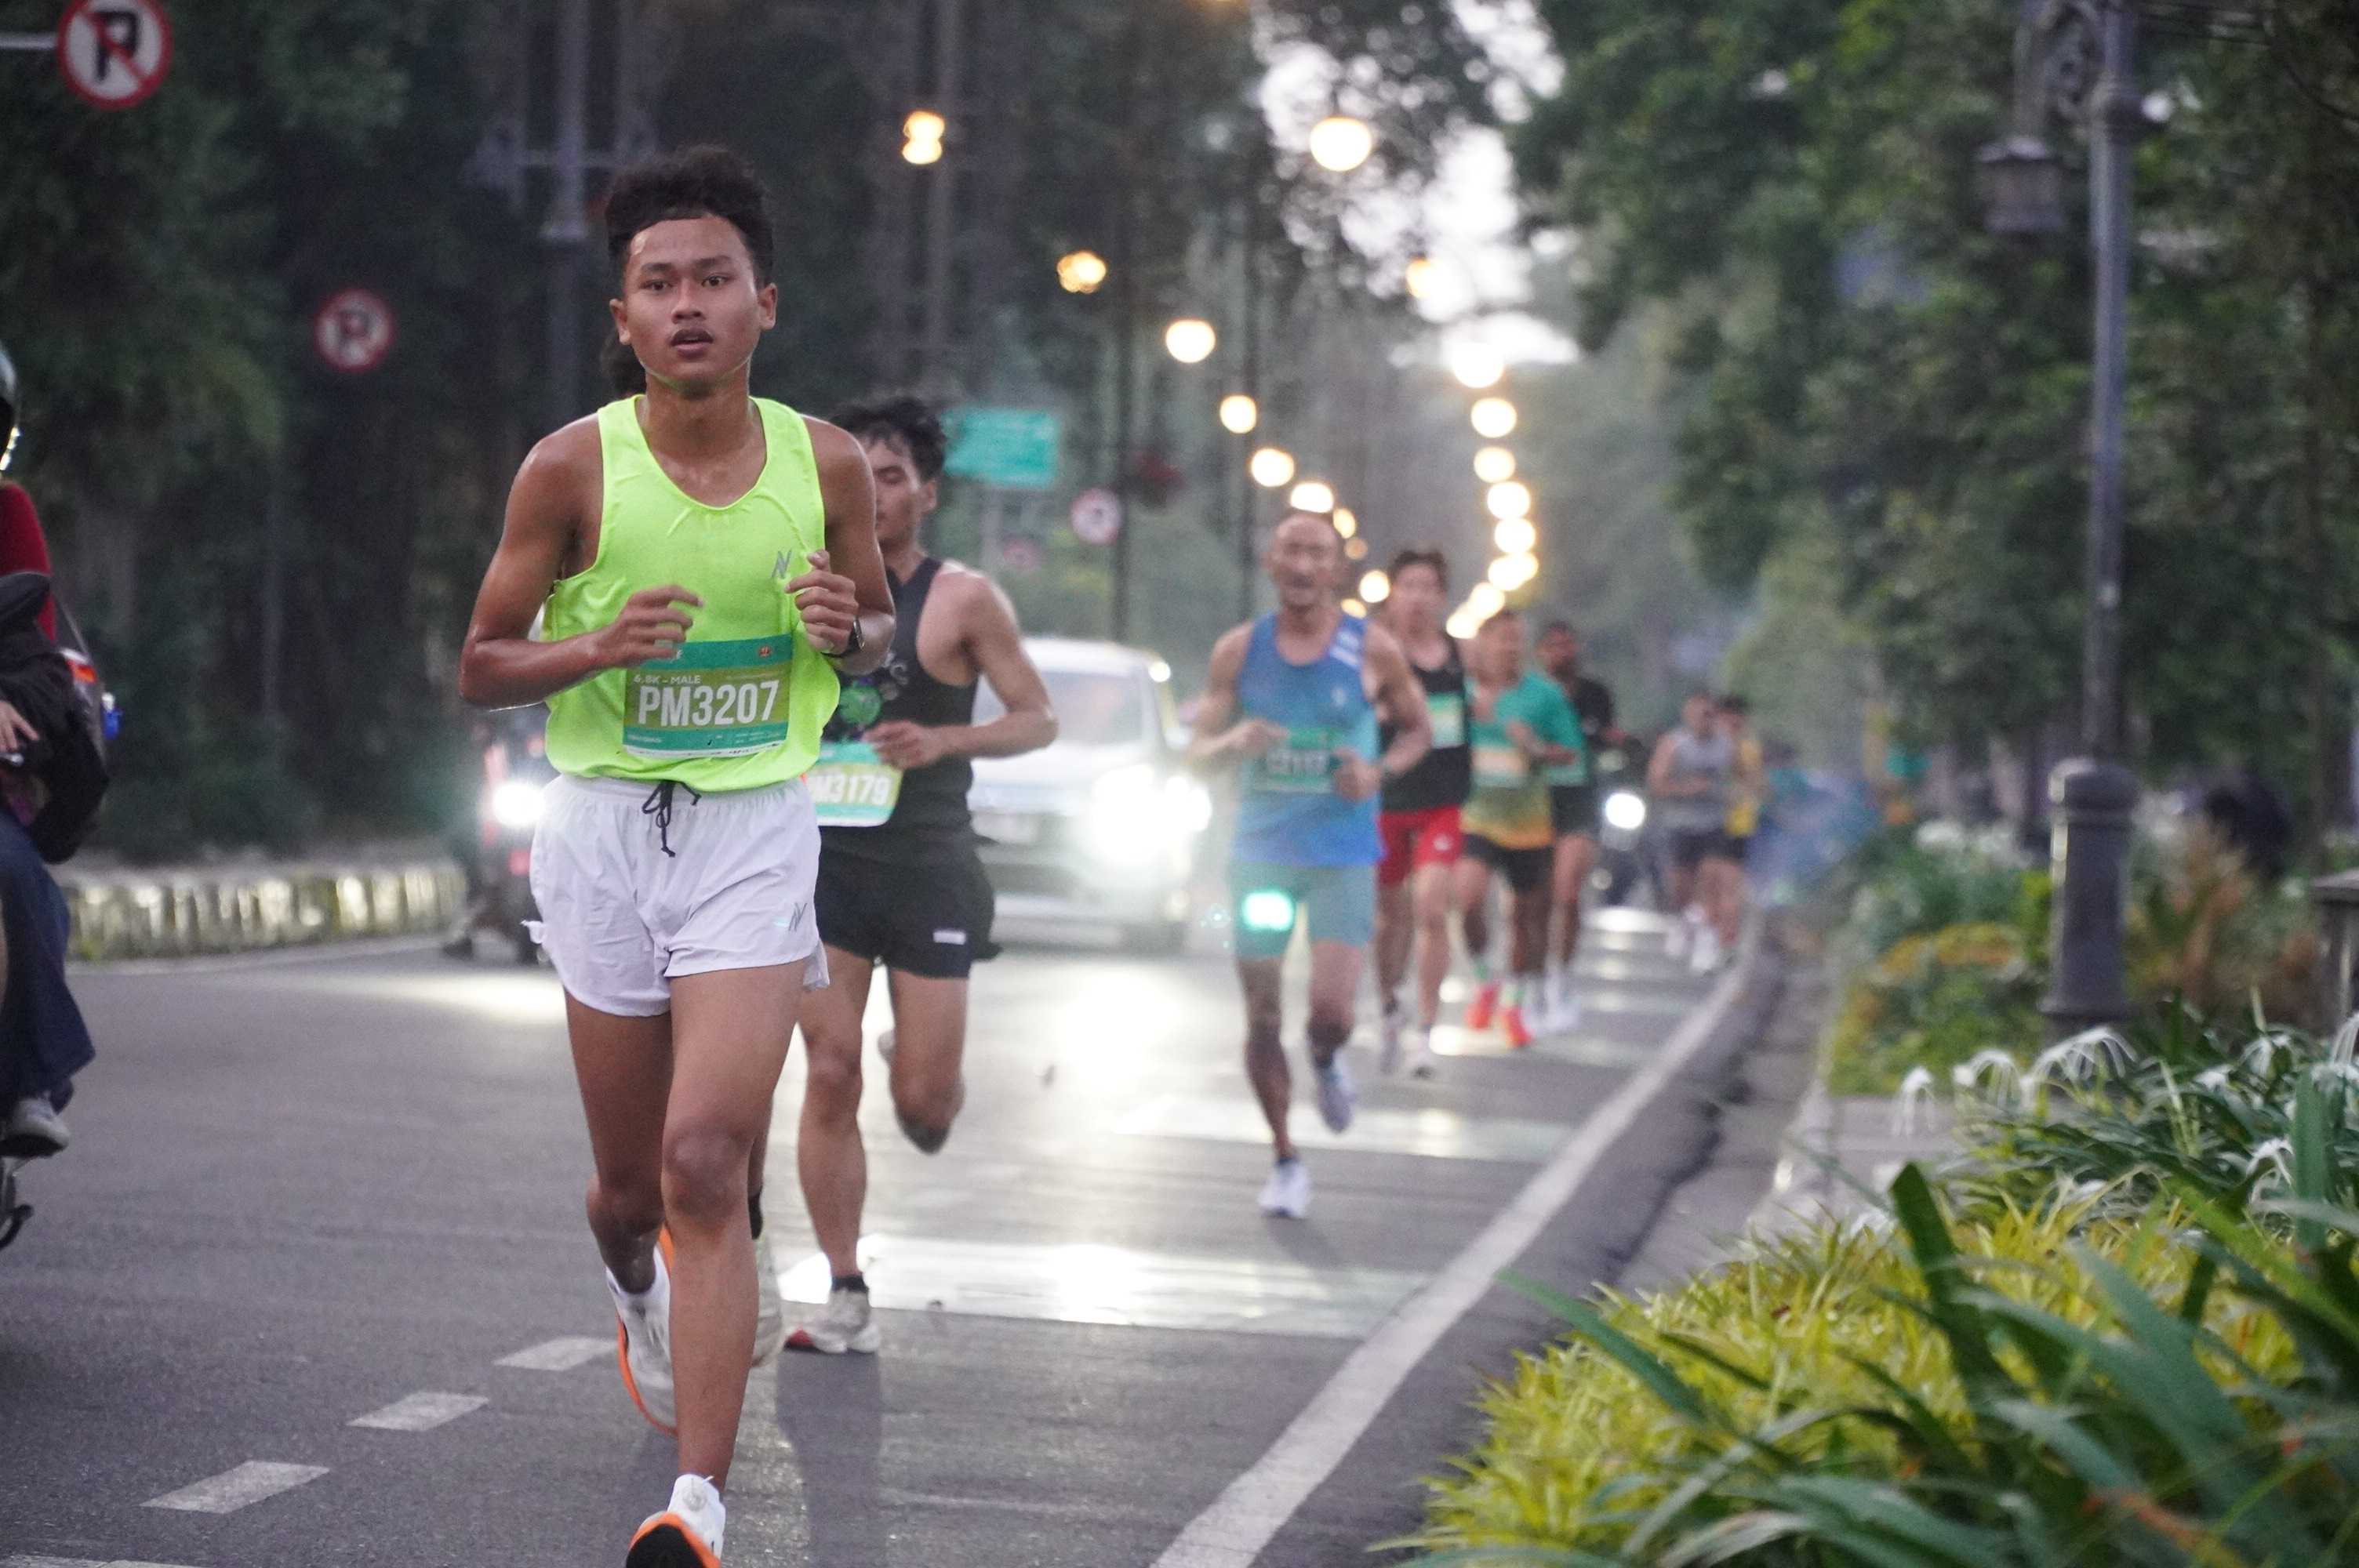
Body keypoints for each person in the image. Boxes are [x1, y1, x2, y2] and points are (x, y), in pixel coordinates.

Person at [456, 146, 896, 1567]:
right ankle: (634, 1287)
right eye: (659, 284)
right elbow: (480, 664)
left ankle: (698, 1502)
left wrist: (848, 630)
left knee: (708, 1162)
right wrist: (595, 646)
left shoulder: (826, 464)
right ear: (623, 316)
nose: (688, 304)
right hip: (601, 834)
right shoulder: (570, 466)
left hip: (754, 827)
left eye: (714, 279)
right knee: (629, 1191)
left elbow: (876, 629)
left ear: (766, 302)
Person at [772, 393, 1056, 1356]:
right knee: (828, 1068)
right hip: (824, 867)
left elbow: (1036, 716)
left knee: (926, 1112)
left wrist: (943, 739)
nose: (871, 492)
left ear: (925, 494)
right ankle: (844, 1288)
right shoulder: (801, 585)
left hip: (929, 862)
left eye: (890, 477)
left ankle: (917, 1066)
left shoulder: (961, 599)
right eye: (854, 474)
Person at [1191, 511, 1429, 1218]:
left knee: (1330, 1012)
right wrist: (1233, 743)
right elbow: (1195, 751)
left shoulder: (1371, 648)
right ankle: (1285, 1158)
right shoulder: (1239, 651)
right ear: (1271, 562)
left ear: (1337, 570)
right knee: (1263, 1014)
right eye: (1291, 551)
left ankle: (1325, 1059)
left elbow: (1419, 730)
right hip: (1261, 856)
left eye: (1317, 554)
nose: (1302, 566)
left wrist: (1378, 772)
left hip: (1341, 856)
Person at [0, 343, 96, 1164]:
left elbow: (41, 668)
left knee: (14, 873)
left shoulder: (8, 516)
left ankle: (24, 1082)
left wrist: (6, 702)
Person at [1457, 609, 1583, 1047]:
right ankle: (1483, 979)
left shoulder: (1544, 695)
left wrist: (1535, 747)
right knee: (1468, 899)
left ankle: (1513, 1004)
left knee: (1524, 917)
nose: (1509, 648)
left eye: (1516, 640)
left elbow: (1571, 752)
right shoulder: (1464, 693)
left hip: (1528, 823)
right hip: (1476, 815)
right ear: (1483, 643)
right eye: (1501, 639)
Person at [1372, 547, 1468, 1079]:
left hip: (1441, 803)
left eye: (1427, 587)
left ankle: (1425, 1032)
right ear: (1392, 593)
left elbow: (1496, 691)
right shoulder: (1374, 653)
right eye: (1407, 586)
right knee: (1390, 918)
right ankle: (1390, 1004)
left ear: (1441, 596)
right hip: (1386, 798)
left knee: (1432, 907)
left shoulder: (1459, 654)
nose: (1416, 597)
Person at [1532, 622, 1603, 1031]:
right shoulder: (1529, 694)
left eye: (1567, 644)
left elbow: (1605, 739)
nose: (1561, 652)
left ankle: (1562, 976)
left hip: (1580, 800)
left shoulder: (1595, 694)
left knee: (1568, 891)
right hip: (1535, 800)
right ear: (1540, 652)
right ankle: (1534, 979)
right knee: (1536, 900)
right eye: (1553, 645)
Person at [1649, 691, 1740, 974]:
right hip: (1680, 824)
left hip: (1715, 823)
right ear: (1688, 717)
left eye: (1709, 715)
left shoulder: (1727, 745)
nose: (1704, 721)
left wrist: (1738, 794)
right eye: (1699, 715)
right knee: (1681, 886)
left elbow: (1743, 777)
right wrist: (1689, 789)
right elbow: (1657, 783)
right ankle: (1682, 920)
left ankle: (1708, 945)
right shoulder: (1674, 744)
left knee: (1711, 880)